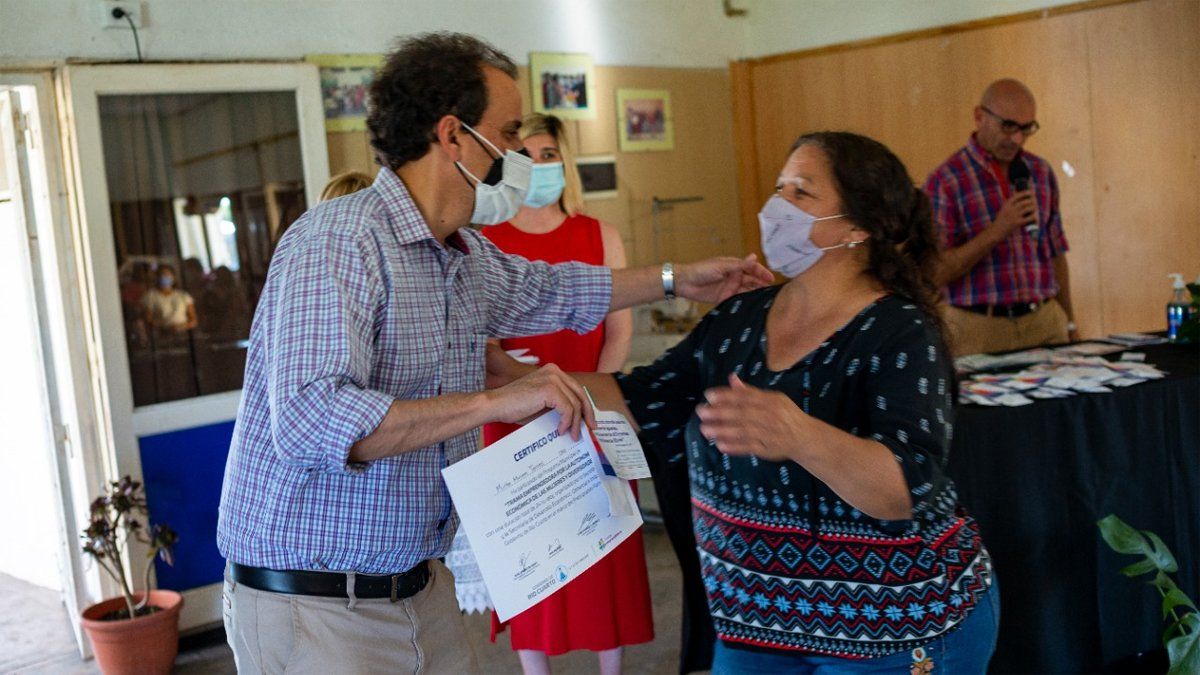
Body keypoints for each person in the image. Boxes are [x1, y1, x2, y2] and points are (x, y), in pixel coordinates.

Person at [216, 32, 772, 675]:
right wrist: (498, 398)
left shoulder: (458, 253)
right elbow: (313, 422)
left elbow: (557, 287)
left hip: (417, 588)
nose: (518, 156)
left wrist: (676, 279)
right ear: (453, 137)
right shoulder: (339, 243)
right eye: (507, 134)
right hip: (316, 605)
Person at [489, 131, 999, 673]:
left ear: (857, 226)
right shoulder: (740, 317)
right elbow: (640, 398)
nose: (777, 206)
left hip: (890, 629)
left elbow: (905, 489)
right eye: (778, 188)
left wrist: (801, 437)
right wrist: (522, 377)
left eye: (801, 193)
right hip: (756, 622)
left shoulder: (899, 331)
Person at [481, 113, 650, 674]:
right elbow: (474, 333)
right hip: (513, 415)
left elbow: (619, 328)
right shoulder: (485, 241)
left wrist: (592, 397)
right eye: (527, 153)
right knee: (529, 551)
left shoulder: (599, 234)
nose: (541, 163)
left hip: (592, 408)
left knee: (604, 545)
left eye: (550, 152)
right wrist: (506, 371)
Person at [924, 78, 1078, 356]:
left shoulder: (1040, 172)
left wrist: (1069, 321)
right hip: (977, 328)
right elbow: (933, 272)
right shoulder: (945, 181)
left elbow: (1055, 253)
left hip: (1044, 322)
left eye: (1026, 128)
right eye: (1008, 126)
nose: (1017, 139)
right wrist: (998, 230)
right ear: (979, 116)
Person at [140, 263, 197, 333]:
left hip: (183, 333)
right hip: (161, 334)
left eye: (167, 275)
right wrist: (164, 329)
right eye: (161, 275)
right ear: (157, 277)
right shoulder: (150, 296)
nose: (164, 277)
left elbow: (193, 320)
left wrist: (181, 327)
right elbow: (148, 320)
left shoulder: (183, 295)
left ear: (174, 277)